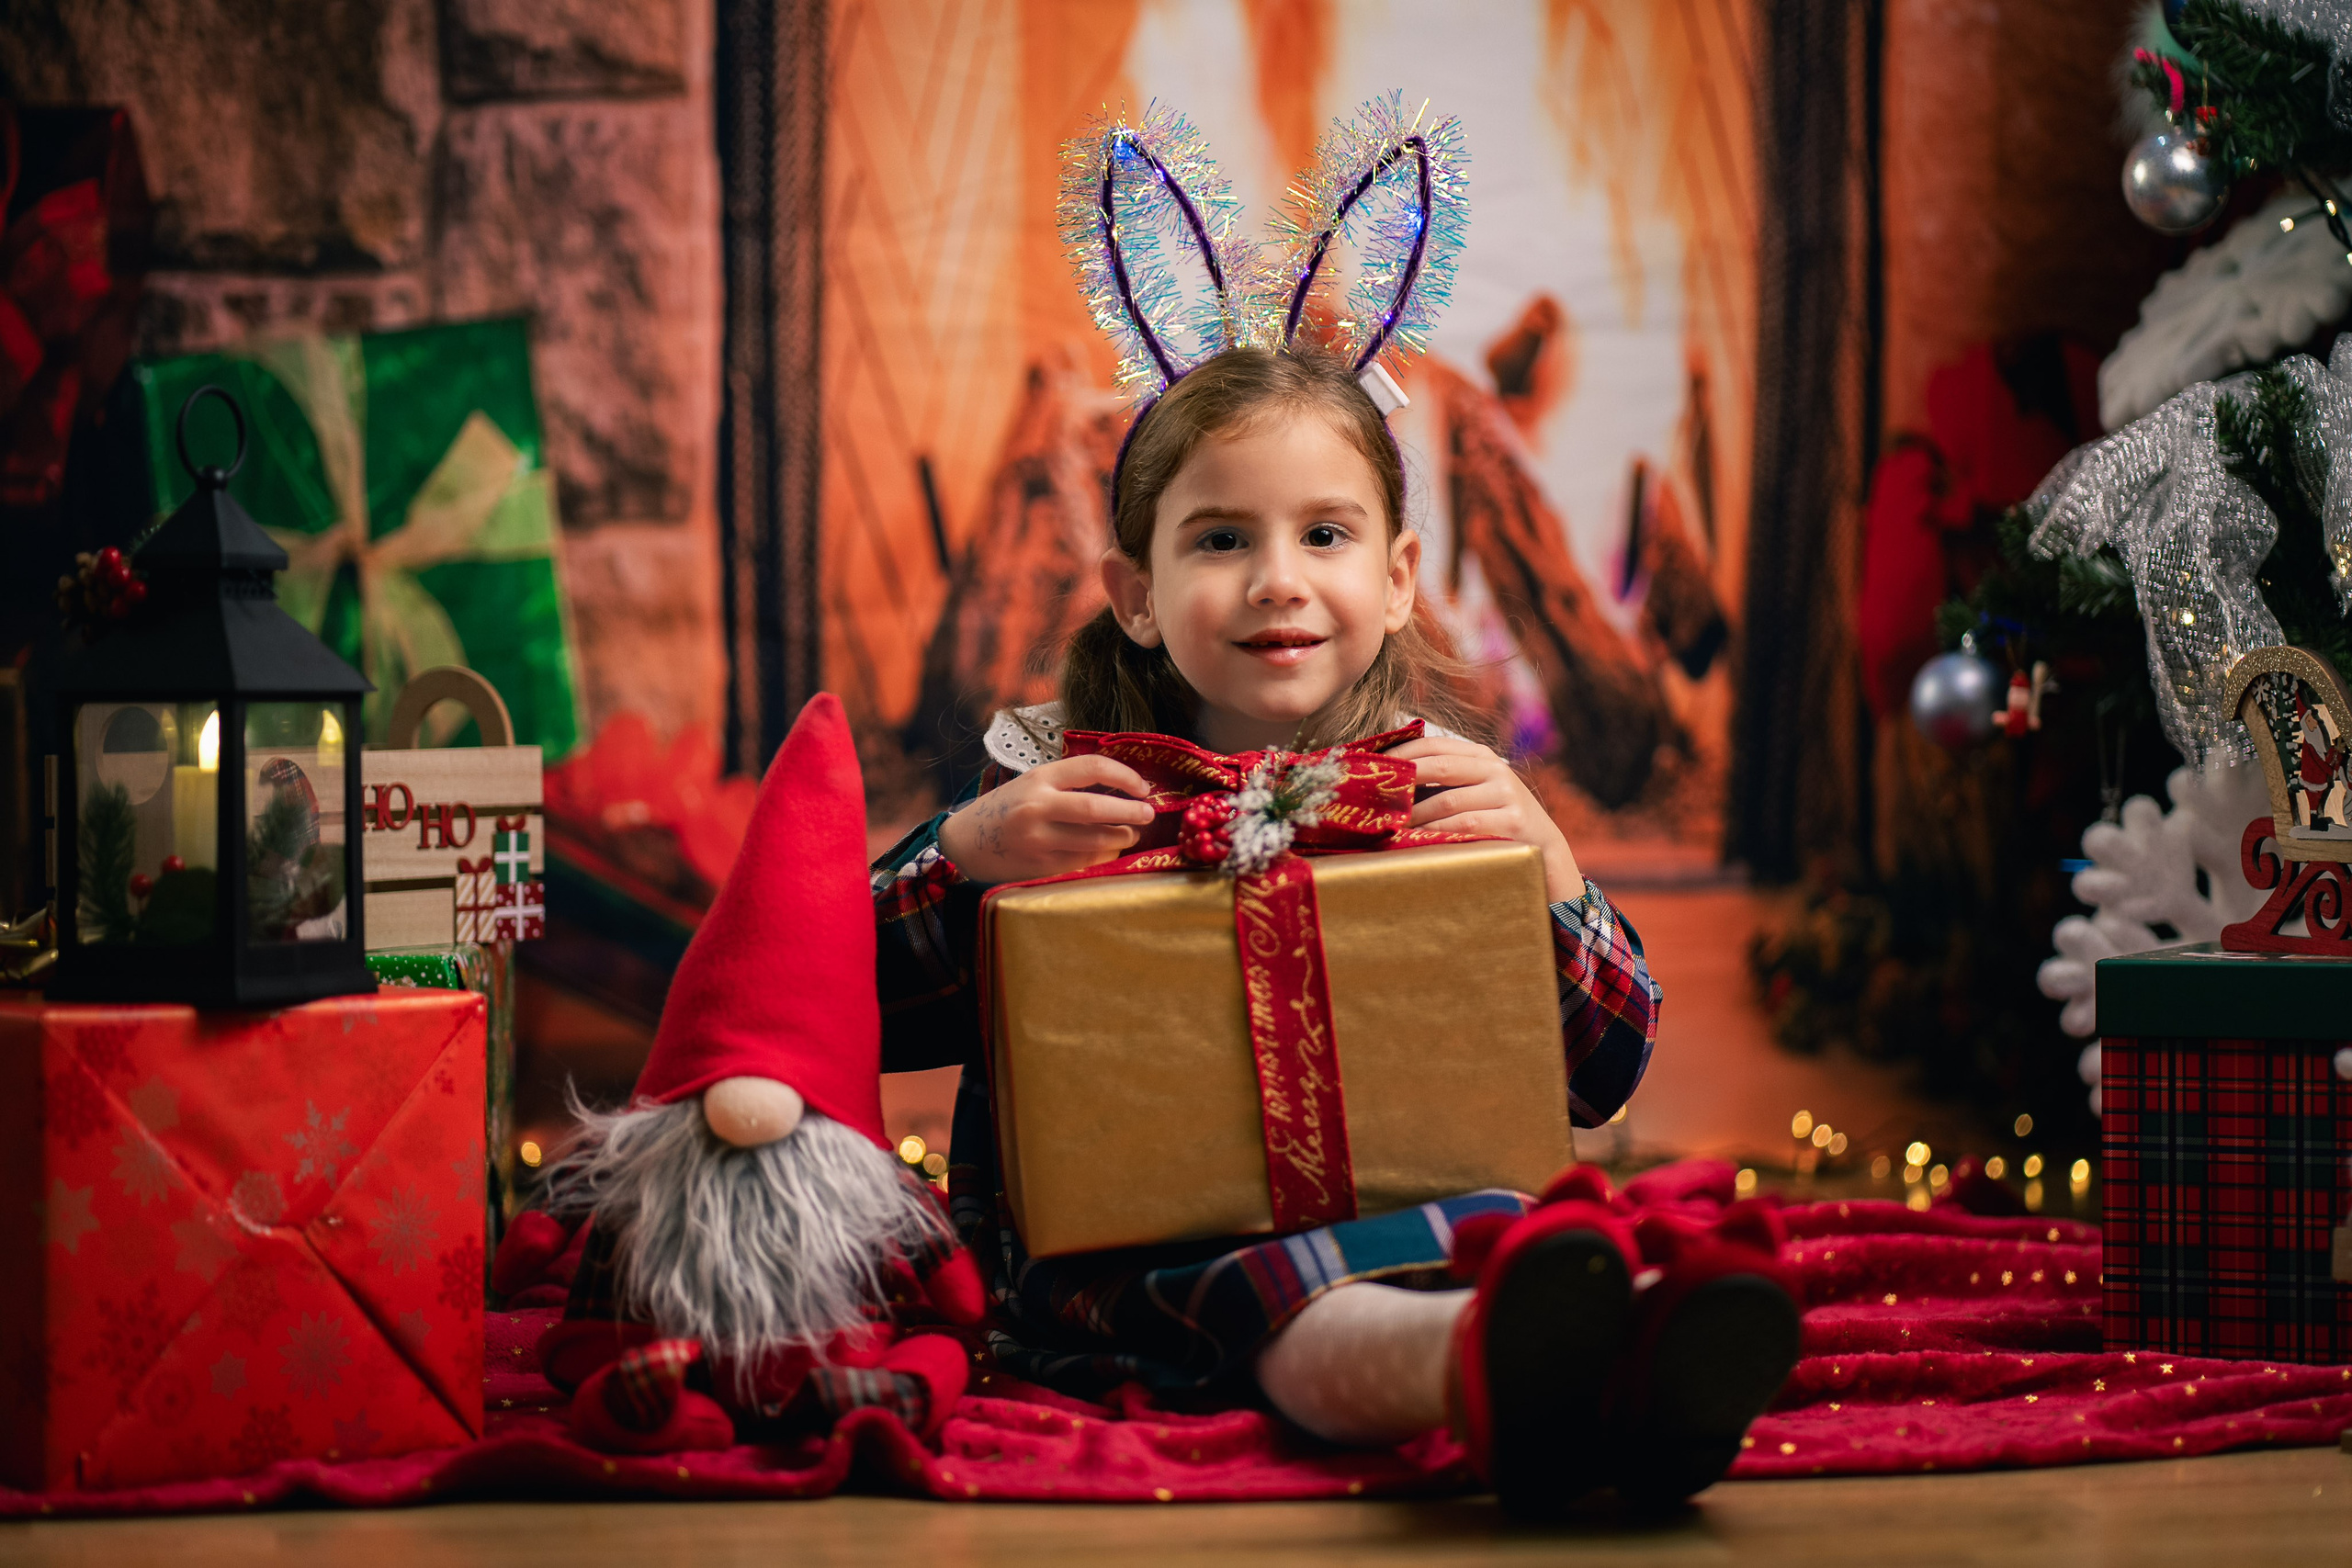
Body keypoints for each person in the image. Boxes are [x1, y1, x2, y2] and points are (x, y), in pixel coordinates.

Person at [872, 345, 1800, 1514]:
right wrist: (961, 862)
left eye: (1325, 535)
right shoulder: (1063, 800)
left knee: (1511, 1231)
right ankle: (1508, 1373)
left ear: (1400, 576)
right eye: (1220, 539)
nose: (1277, 580)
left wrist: (1548, 868)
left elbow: (1600, 1074)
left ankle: (1597, 1361)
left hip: (1424, 1209)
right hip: (1140, 1261)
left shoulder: (1437, 795)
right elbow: (856, 1004)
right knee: (1286, 1297)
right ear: (1135, 594)